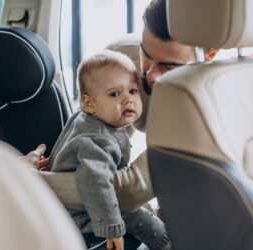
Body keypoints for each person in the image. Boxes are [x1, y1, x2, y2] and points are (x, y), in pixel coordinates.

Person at [28, 0, 195, 215]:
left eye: (169, 66)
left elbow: (126, 192)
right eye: (146, 54)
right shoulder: (121, 60)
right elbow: (88, 140)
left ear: (209, 53)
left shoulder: (204, 103)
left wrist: (25, 179)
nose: (150, 74)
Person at [49, 50, 171, 250]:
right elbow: (96, 183)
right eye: (115, 94)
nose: (127, 100)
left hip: (78, 205)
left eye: (132, 91)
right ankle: (166, 242)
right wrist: (111, 228)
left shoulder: (87, 118)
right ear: (89, 104)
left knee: (139, 207)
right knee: (136, 215)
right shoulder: (97, 139)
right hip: (78, 215)